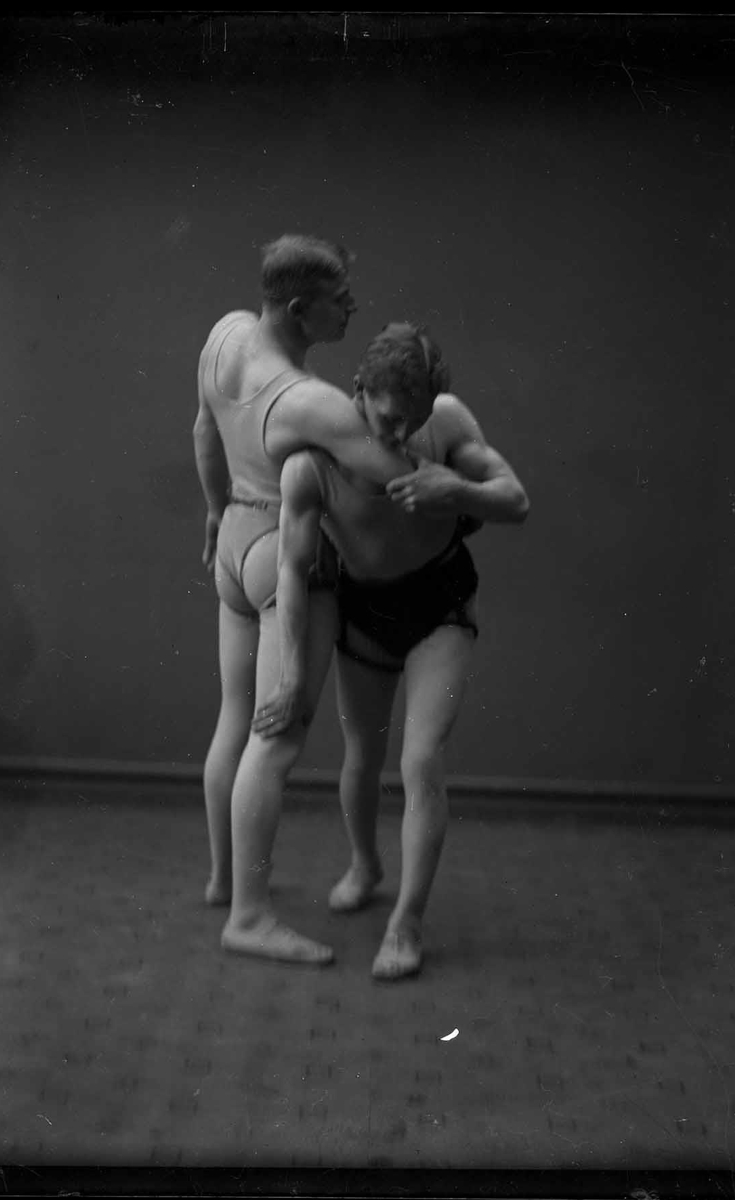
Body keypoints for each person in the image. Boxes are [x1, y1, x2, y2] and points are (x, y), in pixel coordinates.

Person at [252, 323, 529, 979]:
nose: (402, 435)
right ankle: (365, 864)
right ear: (358, 392)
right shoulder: (312, 463)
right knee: (363, 755)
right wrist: (291, 676)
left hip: (442, 605)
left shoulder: (447, 420)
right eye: (389, 419)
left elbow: (516, 500)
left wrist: (456, 490)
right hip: (367, 612)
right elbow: (292, 571)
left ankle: (406, 923)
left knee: (421, 758)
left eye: (415, 419)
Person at [194, 235, 417, 965]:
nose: (352, 307)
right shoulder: (310, 402)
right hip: (281, 559)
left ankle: (225, 881)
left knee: (236, 720)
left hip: (234, 543)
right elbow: (394, 471)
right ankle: (249, 918)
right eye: (339, 300)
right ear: (298, 309)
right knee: (276, 737)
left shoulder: (225, 336)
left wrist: (215, 510)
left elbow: (205, 430)